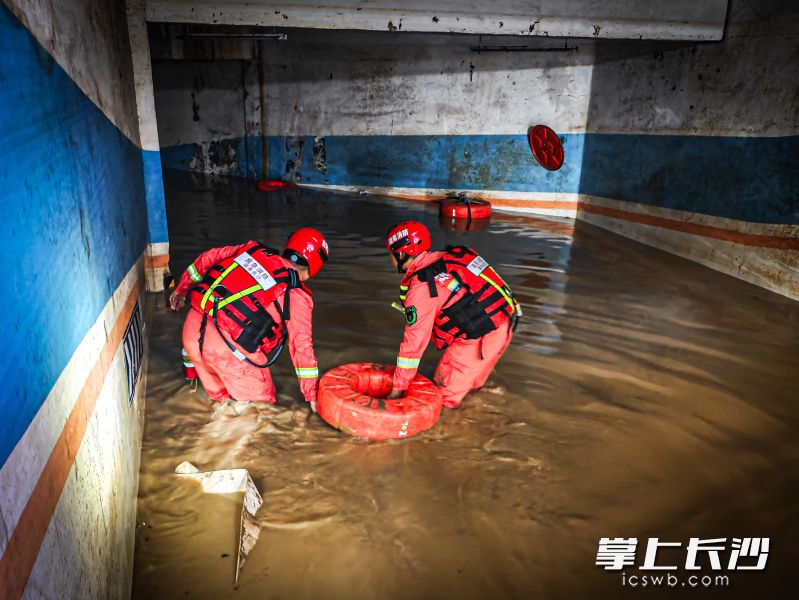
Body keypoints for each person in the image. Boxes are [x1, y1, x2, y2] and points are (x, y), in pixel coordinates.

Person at [169, 228, 328, 411]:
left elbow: (206, 259)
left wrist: (181, 290)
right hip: (223, 351)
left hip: (190, 335)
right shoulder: (296, 295)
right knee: (260, 411)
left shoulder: (250, 250)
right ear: (315, 266)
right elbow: (301, 347)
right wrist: (312, 395)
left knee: (222, 404)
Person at [385, 221, 520, 408]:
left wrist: (398, 388)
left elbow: (413, 346)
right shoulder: (453, 256)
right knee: (472, 389)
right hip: (503, 323)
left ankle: (452, 423)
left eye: (390, 254)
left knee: (443, 400)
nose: (390, 259)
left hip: (477, 340)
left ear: (400, 254)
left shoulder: (421, 287)